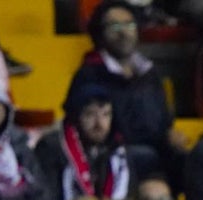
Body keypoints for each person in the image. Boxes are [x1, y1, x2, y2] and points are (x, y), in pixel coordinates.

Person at [67, 0, 187, 184]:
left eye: (129, 24)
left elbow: (164, 120)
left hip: (155, 150)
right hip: (112, 154)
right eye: (114, 26)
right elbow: (83, 127)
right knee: (145, 157)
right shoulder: (89, 74)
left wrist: (171, 135)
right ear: (100, 33)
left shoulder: (149, 72)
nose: (123, 32)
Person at [36, 83, 133, 200]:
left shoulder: (117, 150)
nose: (99, 124)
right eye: (90, 114)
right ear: (76, 117)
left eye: (106, 114)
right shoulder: (52, 147)